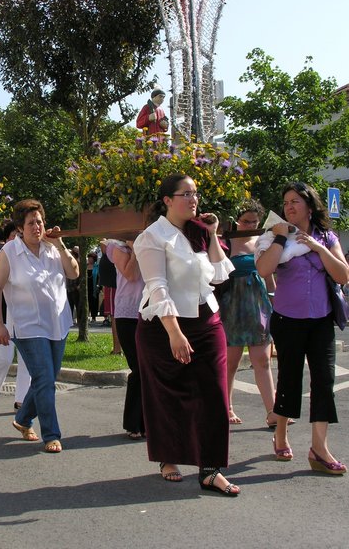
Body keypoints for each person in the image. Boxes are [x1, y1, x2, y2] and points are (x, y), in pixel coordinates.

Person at [134, 174, 240, 495]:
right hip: (163, 326)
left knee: (215, 397)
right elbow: (158, 288)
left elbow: (220, 276)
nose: (193, 199)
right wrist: (175, 333)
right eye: (186, 194)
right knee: (168, 397)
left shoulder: (199, 231)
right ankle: (168, 456)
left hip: (207, 321)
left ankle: (210, 469)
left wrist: (213, 234)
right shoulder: (151, 237)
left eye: (196, 193)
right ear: (167, 200)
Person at [256, 181, 348, 474]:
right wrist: (282, 239)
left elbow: (343, 275)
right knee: (290, 379)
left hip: (321, 320)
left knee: (324, 381)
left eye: (295, 201)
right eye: (286, 203)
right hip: (287, 319)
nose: (290, 207)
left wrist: (320, 248)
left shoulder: (326, 236)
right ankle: (281, 435)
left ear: (310, 205)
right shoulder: (275, 236)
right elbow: (263, 270)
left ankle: (319, 448)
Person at [0, 199, 79, 453]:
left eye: (40, 222)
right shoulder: (9, 252)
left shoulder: (52, 249)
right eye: (31, 223)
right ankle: (51, 434)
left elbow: (74, 273)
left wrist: (60, 244)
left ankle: (22, 419)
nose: (37, 227)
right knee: (44, 378)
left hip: (57, 324)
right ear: (20, 227)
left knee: (45, 378)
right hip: (28, 327)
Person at [218, 200, 278, 427]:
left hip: (258, 304)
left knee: (262, 360)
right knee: (230, 361)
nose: (250, 224)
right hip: (232, 305)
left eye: (254, 221)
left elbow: (269, 277)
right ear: (236, 220)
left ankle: (272, 411)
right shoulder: (227, 241)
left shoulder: (263, 241)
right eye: (246, 221)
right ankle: (227, 408)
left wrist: (276, 302)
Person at [0, 221, 31, 411]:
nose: (18, 239)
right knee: (4, 356)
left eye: (20, 235)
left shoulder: (27, 254)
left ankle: (21, 400)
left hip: (23, 314)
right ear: (7, 237)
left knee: (26, 358)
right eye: (14, 235)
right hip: (2, 314)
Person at [105, 239, 145, 439]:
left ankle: (147, 422)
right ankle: (133, 423)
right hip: (128, 315)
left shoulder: (153, 239)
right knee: (139, 368)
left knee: (150, 368)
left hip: (151, 312)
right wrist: (136, 250)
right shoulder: (116, 246)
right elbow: (131, 274)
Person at [98, 241, 121, 354]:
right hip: (112, 284)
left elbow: (103, 246)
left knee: (115, 317)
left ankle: (117, 349)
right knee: (115, 317)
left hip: (114, 284)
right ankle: (118, 348)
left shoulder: (113, 244)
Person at [87, 252, 99, 323]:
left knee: (94, 302)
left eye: (91, 258)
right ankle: (87, 316)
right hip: (86, 287)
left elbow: (99, 277)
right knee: (87, 301)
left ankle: (93, 317)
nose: (89, 259)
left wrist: (98, 285)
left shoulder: (97, 267)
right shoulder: (85, 266)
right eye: (88, 258)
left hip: (94, 287)